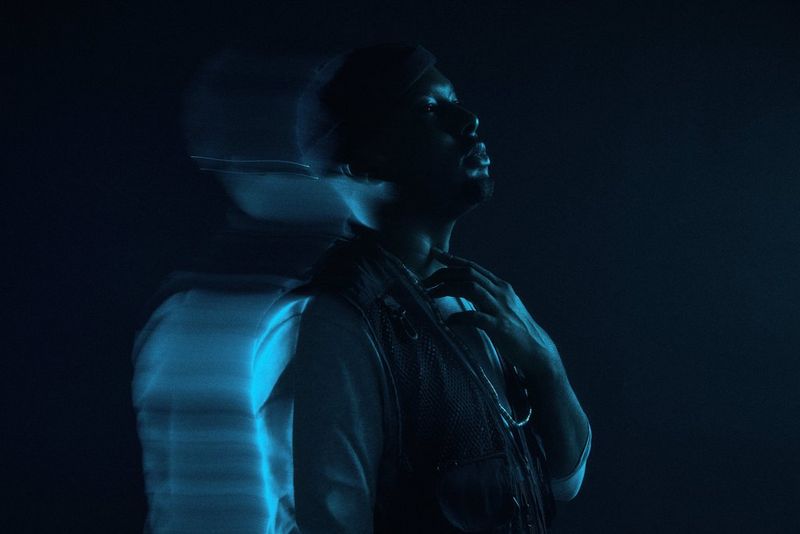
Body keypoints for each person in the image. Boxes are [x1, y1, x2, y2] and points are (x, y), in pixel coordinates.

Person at [133, 42, 591, 534]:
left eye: (455, 100)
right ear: (367, 158)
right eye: (431, 109)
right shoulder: (330, 322)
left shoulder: (475, 300)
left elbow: (562, 477)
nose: (468, 120)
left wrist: (546, 365)